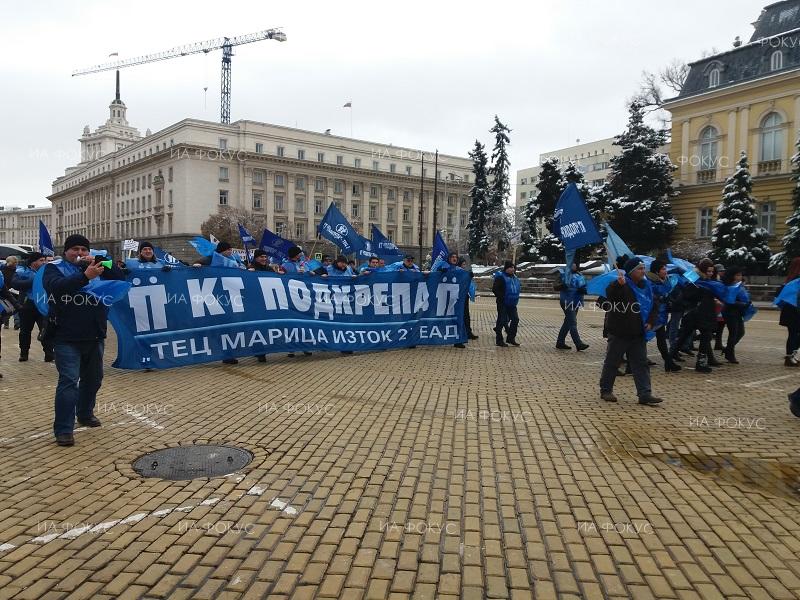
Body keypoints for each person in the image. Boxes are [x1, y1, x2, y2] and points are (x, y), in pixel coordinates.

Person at [42, 234, 126, 446]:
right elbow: (57, 288)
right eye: (75, 249)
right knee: (69, 382)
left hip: (94, 333)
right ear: (66, 251)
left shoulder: (96, 265)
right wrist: (85, 275)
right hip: (66, 335)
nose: (80, 253)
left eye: (83, 250)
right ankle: (63, 429)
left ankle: (85, 414)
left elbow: (119, 277)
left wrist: (102, 263)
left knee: (93, 380)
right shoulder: (54, 268)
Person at [599, 258, 662, 405]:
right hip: (620, 332)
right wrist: (617, 286)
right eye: (640, 268)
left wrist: (651, 321)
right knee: (612, 362)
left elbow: (654, 305)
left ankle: (644, 394)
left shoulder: (646, 286)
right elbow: (607, 298)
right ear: (631, 271)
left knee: (640, 364)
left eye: (643, 268)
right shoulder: (621, 284)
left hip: (638, 332)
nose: (643, 271)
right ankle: (606, 390)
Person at [670, 258, 721, 373]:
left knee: (704, 336)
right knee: (684, 337)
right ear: (702, 270)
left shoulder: (709, 281)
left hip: (705, 313)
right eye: (708, 271)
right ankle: (672, 360)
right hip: (695, 313)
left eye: (712, 271)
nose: (710, 273)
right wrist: (700, 294)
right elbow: (687, 294)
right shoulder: (694, 280)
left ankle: (700, 362)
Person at [11, 252, 54, 362]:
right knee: (25, 331)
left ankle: (49, 353)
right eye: (41, 260)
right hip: (27, 305)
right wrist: (35, 281)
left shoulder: (47, 271)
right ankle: (24, 353)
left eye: (44, 260)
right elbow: (15, 283)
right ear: (33, 262)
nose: (44, 262)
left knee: (45, 329)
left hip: (42, 304)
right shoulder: (22, 271)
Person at [647, 260, 681, 372]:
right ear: (657, 271)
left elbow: (667, 292)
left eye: (665, 268)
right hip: (652, 316)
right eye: (663, 269)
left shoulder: (664, 281)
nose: (665, 271)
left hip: (661, 315)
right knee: (642, 340)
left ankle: (668, 362)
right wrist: (662, 297)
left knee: (661, 340)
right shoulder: (650, 282)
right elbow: (653, 296)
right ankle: (630, 365)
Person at [556, 261, 589, 351]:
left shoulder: (580, 275)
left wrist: (583, 290)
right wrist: (563, 286)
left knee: (568, 322)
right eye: (572, 264)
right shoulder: (563, 275)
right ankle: (578, 343)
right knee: (573, 322)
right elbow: (555, 286)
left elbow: (585, 287)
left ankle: (560, 342)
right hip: (566, 301)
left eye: (575, 264)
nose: (574, 265)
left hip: (576, 301)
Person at [720, 266, 750, 364]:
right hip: (730, 312)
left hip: (737, 312)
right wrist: (742, 304)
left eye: (740, 275)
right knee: (733, 333)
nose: (740, 277)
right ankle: (729, 354)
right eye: (737, 275)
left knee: (740, 332)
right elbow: (729, 301)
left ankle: (728, 350)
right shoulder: (729, 286)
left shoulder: (739, 285)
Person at [778, 257, 800, 367]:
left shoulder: (789, 280)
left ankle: (792, 357)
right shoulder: (796, 280)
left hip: (789, 310)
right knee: (794, 335)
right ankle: (791, 357)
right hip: (795, 310)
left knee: (793, 334)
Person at [492, 261, 521, 347]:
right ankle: (499, 340)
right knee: (501, 321)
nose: (512, 269)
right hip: (503, 303)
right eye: (510, 267)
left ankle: (511, 338)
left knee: (515, 319)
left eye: (513, 267)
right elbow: (495, 289)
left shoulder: (515, 278)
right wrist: (502, 297)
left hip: (512, 303)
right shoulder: (500, 277)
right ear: (506, 268)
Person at [459, 258, 478, 341]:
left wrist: (469, 277)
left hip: (464, 296)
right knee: (461, 315)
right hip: (458, 297)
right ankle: (461, 332)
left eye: (465, 264)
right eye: (463, 264)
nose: (464, 266)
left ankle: (468, 332)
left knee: (466, 315)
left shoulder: (465, 273)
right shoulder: (456, 273)